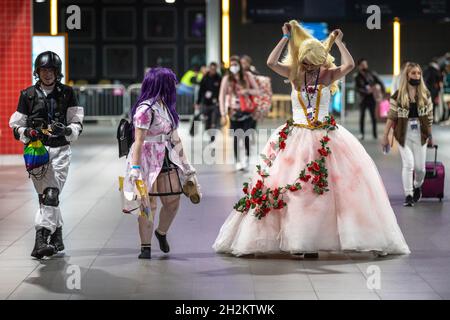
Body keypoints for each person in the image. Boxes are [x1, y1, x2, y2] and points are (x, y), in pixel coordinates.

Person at [212, 21, 410, 257]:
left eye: (311, 63)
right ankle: (297, 238)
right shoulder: (294, 74)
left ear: (319, 60)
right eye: (305, 62)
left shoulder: (327, 75)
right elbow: (271, 62)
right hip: (296, 136)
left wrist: (338, 42)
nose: (307, 66)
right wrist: (285, 37)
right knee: (294, 188)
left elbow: (348, 64)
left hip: (327, 136)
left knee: (328, 189)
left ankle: (320, 237)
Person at [9, 51, 84, 259]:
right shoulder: (27, 95)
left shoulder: (68, 93)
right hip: (37, 152)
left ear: (57, 72)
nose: (48, 74)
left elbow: (77, 123)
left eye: (51, 70)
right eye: (44, 70)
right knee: (47, 197)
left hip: (60, 150)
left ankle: (40, 241)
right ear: (37, 71)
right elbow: (16, 126)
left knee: (51, 194)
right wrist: (28, 132)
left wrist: (67, 131)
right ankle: (57, 234)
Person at [125, 67, 200, 259]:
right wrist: (134, 169)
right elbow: (139, 141)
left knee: (173, 200)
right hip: (144, 159)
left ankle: (162, 232)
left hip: (165, 157)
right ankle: (146, 247)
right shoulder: (144, 110)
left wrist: (186, 164)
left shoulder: (165, 107)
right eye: (171, 83)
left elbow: (175, 138)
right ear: (162, 85)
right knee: (147, 204)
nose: (174, 87)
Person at [382, 63, 434, 207]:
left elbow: (429, 117)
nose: (416, 76)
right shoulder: (398, 95)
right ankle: (409, 195)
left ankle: (417, 185)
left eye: (418, 73)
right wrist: (385, 135)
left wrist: (430, 136)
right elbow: (391, 116)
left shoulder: (425, 94)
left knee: (420, 169)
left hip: (421, 134)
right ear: (407, 75)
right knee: (408, 164)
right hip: (403, 133)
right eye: (413, 73)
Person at [219, 55, 260, 172]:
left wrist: (247, 91)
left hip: (247, 110)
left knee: (246, 135)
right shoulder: (227, 78)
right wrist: (222, 113)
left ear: (240, 66)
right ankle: (237, 160)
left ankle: (246, 157)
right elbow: (221, 96)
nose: (234, 67)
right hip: (233, 111)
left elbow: (257, 91)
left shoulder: (247, 76)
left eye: (235, 65)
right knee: (236, 137)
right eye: (231, 65)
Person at [354, 58, 386, 140]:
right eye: (363, 65)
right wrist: (365, 91)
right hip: (363, 99)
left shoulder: (372, 74)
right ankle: (361, 134)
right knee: (362, 116)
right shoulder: (357, 77)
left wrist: (382, 93)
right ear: (359, 66)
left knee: (373, 116)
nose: (365, 66)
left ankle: (375, 134)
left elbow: (380, 82)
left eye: (365, 64)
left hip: (372, 98)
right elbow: (357, 88)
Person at [196, 62, 222, 143]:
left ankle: (213, 136)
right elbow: (200, 91)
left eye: (214, 69)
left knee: (214, 121)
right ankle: (208, 132)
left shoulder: (219, 78)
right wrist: (198, 102)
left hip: (215, 104)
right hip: (206, 103)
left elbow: (221, 91)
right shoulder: (204, 78)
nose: (212, 71)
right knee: (207, 121)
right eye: (211, 69)